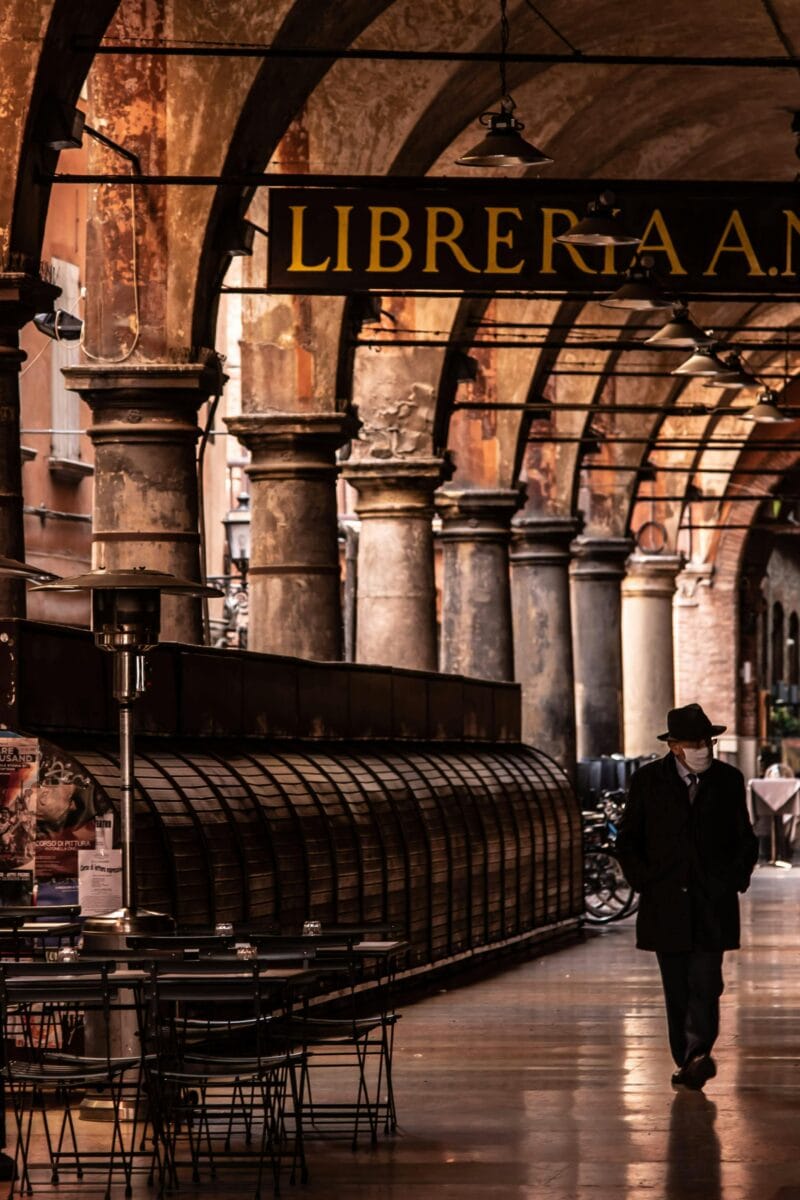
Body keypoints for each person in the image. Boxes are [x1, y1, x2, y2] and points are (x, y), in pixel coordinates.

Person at [615, 703, 758, 1090]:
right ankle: (687, 1058)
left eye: (707, 741)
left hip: (713, 900)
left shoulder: (728, 780)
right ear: (674, 746)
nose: (703, 748)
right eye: (694, 742)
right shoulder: (648, 781)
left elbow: (745, 838)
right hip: (667, 902)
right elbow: (628, 839)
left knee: (707, 982)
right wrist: (645, 880)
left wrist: (733, 878)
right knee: (676, 986)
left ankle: (699, 1052)